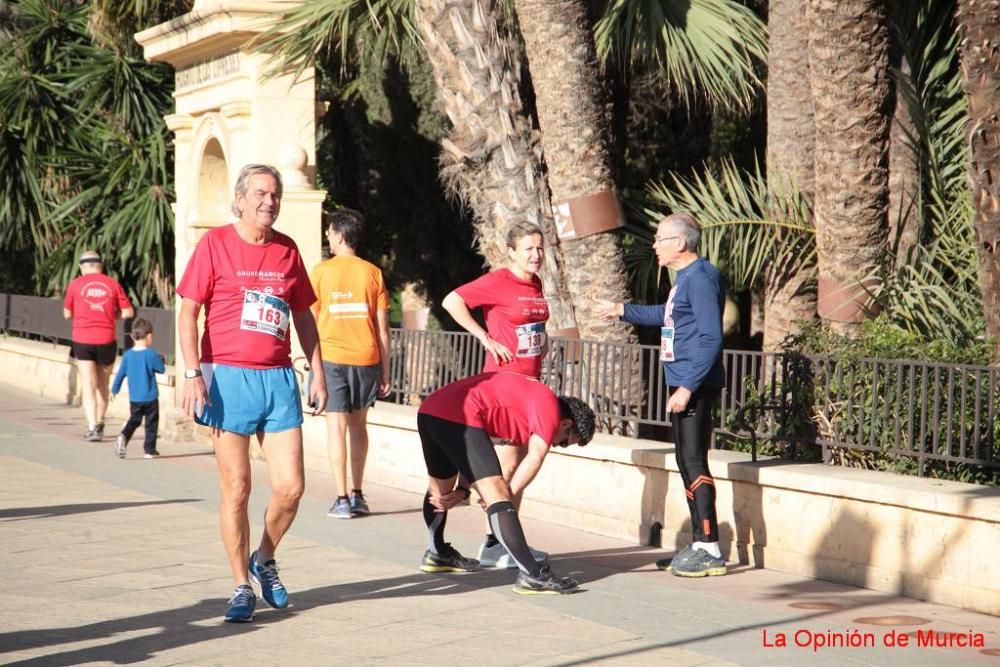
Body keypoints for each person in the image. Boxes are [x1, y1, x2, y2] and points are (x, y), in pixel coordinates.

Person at [177, 163, 328, 623]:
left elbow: (303, 315)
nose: (269, 201)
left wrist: (316, 370)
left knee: (291, 487)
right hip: (227, 378)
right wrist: (190, 373)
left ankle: (264, 558)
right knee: (237, 488)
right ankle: (241, 585)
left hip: (278, 378)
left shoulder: (287, 250)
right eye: (261, 193)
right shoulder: (215, 244)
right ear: (240, 199)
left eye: (275, 195)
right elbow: (187, 312)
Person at [596, 212, 727, 577]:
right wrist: (622, 311)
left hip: (694, 384)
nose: (653, 245)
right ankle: (701, 543)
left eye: (659, 239)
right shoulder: (684, 279)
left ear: (680, 244)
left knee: (694, 461)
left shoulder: (700, 279)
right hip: (684, 380)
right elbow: (669, 316)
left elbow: (710, 338)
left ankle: (711, 547)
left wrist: (687, 387)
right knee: (686, 462)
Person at [416, 371, 595, 594]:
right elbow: (535, 457)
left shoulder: (524, 407)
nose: (556, 445)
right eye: (565, 443)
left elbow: (473, 448)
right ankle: (533, 575)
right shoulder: (548, 406)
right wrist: (506, 493)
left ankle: (437, 553)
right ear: (566, 423)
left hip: (432, 411)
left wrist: (463, 489)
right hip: (458, 415)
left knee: (440, 492)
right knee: (498, 494)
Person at [441, 221, 551, 568]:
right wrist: (483, 337)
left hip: (529, 383)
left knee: (514, 464)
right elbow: (451, 301)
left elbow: (532, 327)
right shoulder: (498, 281)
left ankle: (502, 540)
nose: (536, 254)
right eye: (529, 249)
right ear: (512, 252)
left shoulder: (536, 283)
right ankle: (497, 542)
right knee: (506, 466)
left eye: (540, 247)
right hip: (504, 382)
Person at [310, 208, 391, 519]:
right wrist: (385, 370)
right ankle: (358, 494)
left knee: (336, 427)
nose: (328, 237)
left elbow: (311, 323)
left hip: (333, 360)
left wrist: (311, 365)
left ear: (340, 235)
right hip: (366, 358)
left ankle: (342, 497)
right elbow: (382, 328)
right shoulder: (372, 273)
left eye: (330, 232)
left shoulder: (320, 272)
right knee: (359, 427)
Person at [63, 250, 134, 442]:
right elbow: (128, 312)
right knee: (104, 384)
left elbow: (67, 314)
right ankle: (100, 423)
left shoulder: (75, 284)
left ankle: (93, 426)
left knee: (88, 384)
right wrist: (111, 315)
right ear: (100, 266)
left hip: (83, 339)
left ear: (82, 267)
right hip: (106, 340)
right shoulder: (112, 284)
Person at [110, 318, 165, 459]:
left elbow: (120, 374)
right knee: (151, 423)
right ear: (149, 336)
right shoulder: (150, 354)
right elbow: (161, 369)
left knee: (134, 420)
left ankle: (124, 436)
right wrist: (160, 359)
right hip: (150, 396)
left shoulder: (128, 355)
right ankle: (149, 450)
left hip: (135, 397)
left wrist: (114, 390)